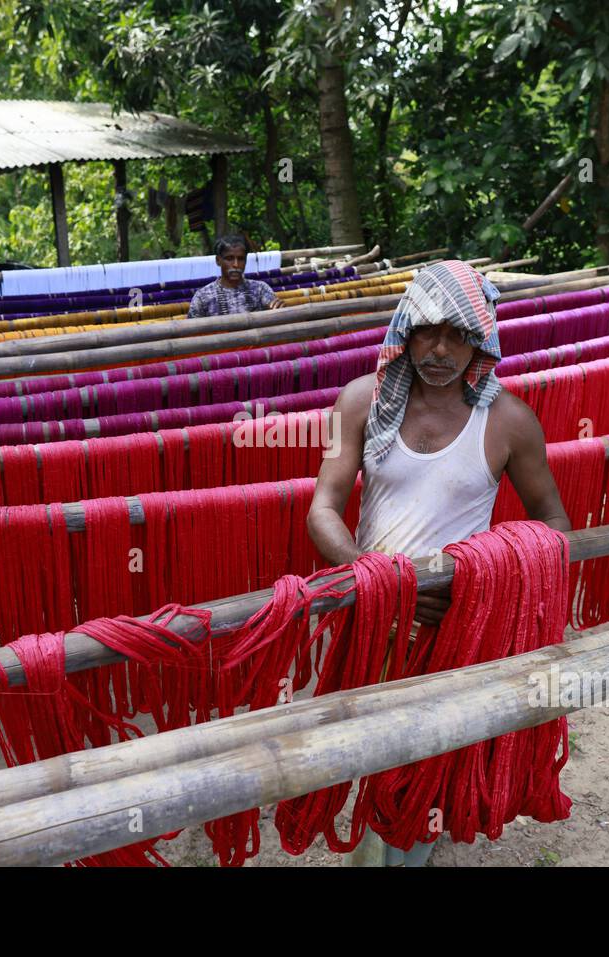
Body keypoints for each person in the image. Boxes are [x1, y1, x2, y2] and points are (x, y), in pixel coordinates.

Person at [306, 259, 572, 867]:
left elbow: (554, 525)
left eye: (458, 334)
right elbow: (323, 509)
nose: (441, 348)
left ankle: (401, 856)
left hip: (453, 624)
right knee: (368, 747)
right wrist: (378, 579)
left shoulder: (508, 422)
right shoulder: (360, 404)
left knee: (429, 759)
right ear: (405, 328)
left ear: (481, 338)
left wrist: (487, 579)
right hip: (370, 615)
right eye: (428, 330)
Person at [186, 234, 283, 318]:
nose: (236, 264)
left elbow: (273, 308)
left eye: (241, 259)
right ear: (218, 260)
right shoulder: (202, 297)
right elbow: (191, 332)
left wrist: (278, 309)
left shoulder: (260, 289)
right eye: (229, 259)